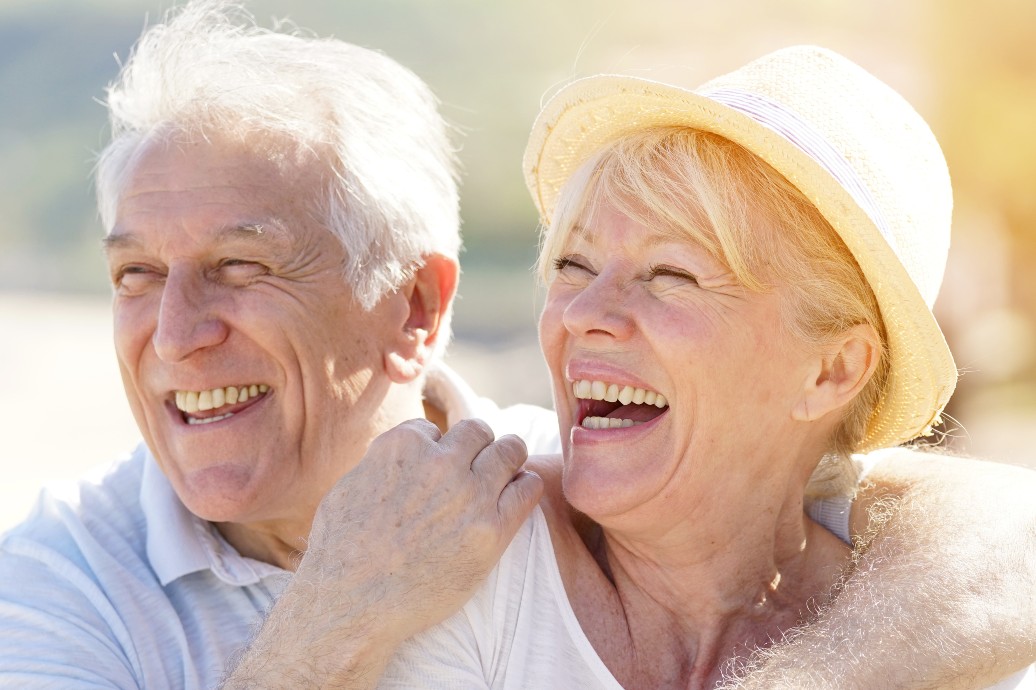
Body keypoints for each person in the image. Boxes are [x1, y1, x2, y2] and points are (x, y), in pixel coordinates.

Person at [0, 3, 1031, 688]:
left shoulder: (527, 495)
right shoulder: (56, 589)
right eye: (134, 273)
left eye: (242, 267)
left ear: (414, 310)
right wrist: (330, 621)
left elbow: (999, 532)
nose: (175, 334)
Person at [375, 45, 1036, 689]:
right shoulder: (469, 568)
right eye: (574, 264)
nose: (583, 313)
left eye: (671, 274)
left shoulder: (967, 658)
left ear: (831, 372)